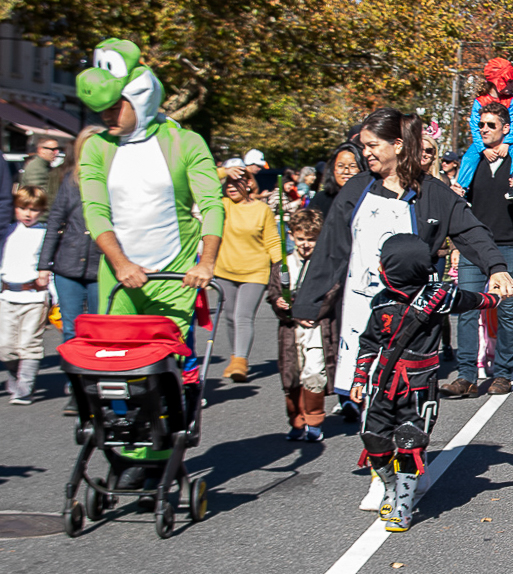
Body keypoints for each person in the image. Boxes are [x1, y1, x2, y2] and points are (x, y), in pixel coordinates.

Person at [292, 108, 512, 413]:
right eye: (363, 146)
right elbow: (331, 248)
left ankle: (410, 451)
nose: (364, 153)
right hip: (363, 311)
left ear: (397, 144)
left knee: (409, 398)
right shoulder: (356, 189)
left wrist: (496, 269)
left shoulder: (434, 193)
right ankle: (379, 455)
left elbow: (471, 231)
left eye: (372, 146)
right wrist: (309, 302)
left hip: (415, 317)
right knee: (372, 403)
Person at [74, 38, 223, 335]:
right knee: (113, 363)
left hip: (175, 277)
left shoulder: (186, 142)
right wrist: (121, 263)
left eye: (115, 107)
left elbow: (211, 205)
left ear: (139, 97)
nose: (106, 116)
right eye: (102, 109)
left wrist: (206, 263)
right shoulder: (96, 147)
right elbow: (95, 211)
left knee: (161, 368)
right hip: (118, 276)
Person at [354, 234, 501, 532]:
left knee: (410, 442)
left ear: (394, 267)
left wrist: (498, 297)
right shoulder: (381, 301)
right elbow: (369, 341)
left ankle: (403, 508)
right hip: (382, 382)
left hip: (420, 384)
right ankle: (390, 489)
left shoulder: (438, 297)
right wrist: (359, 377)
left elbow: (474, 300)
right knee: (374, 440)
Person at [447, 102, 513, 398]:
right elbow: (457, 204)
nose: (484, 130)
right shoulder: (473, 160)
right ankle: (466, 376)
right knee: (467, 309)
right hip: (473, 247)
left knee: (506, 310)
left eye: (490, 125)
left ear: (506, 128)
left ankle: (502, 373)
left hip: (509, 246)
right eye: (481, 125)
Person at [268, 209, 337, 441]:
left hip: (316, 328)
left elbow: (332, 293)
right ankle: (296, 421)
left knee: (314, 372)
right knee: (292, 373)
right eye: (300, 239)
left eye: (311, 239)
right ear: (291, 236)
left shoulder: (327, 264)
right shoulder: (283, 264)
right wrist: (280, 303)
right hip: (291, 329)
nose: (305, 245)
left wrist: (315, 311)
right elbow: (274, 292)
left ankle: (315, 420)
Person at [211, 166, 282, 382]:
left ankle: (241, 360)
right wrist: (225, 171)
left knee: (243, 316)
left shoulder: (262, 209)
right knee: (230, 316)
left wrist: (282, 267)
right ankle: (235, 358)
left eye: (237, 182)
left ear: (249, 184)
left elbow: (272, 240)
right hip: (224, 270)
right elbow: (204, 181)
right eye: (229, 184)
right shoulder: (221, 206)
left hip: (255, 272)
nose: (231, 187)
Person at [37, 126, 104, 348]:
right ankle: (75, 381)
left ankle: (93, 378)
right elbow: (55, 221)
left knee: (98, 329)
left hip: (101, 267)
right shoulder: (71, 180)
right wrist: (44, 265)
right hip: (68, 265)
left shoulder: (115, 181)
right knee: (70, 329)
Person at [0, 186, 50, 405]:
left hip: (35, 297)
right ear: (14, 208)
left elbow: (50, 269)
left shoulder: (46, 234)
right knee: (5, 347)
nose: (28, 214)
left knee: (29, 343)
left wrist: (53, 298)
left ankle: (24, 389)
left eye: (34, 209)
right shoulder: (8, 231)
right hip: (7, 295)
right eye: (23, 208)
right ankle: (14, 377)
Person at [455, 58, 513, 191]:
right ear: (498, 82)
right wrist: (483, 149)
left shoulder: (512, 100)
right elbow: (475, 127)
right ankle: (460, 189)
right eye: (510, 81)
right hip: (483, 142)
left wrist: (507, 143)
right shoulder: (480, 101)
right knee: (469, 157)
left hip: (508, 139)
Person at [310, 142, 363, 215]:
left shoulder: (367, 199)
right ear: (333, 168)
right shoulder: (321, 199)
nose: (346, 171)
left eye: (352, 166)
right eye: (340, 166)